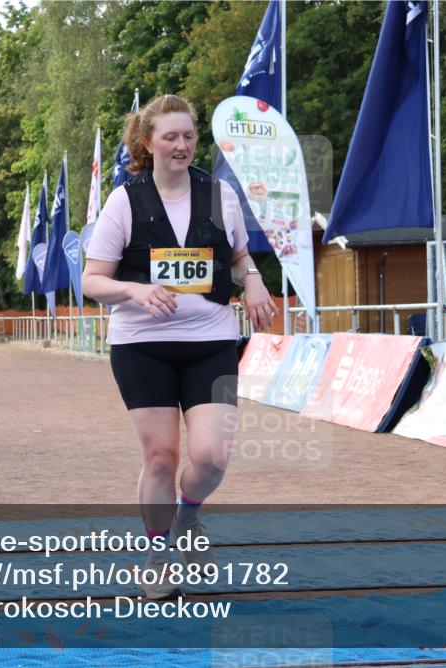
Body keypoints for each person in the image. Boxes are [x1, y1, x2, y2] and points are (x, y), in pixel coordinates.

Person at [82, 94, 276, 599]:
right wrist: (135, 290)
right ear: (148, 143)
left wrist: (252, 279)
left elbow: (237, 256)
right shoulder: (125, 200)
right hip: (142, 345)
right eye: (170, 136)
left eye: (188, 135)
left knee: (211, 458)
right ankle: (157, 554)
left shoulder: (217, 195)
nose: (182, 145)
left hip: (210, 340)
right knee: (163, 458)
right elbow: (92, 280)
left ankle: (187, 518)